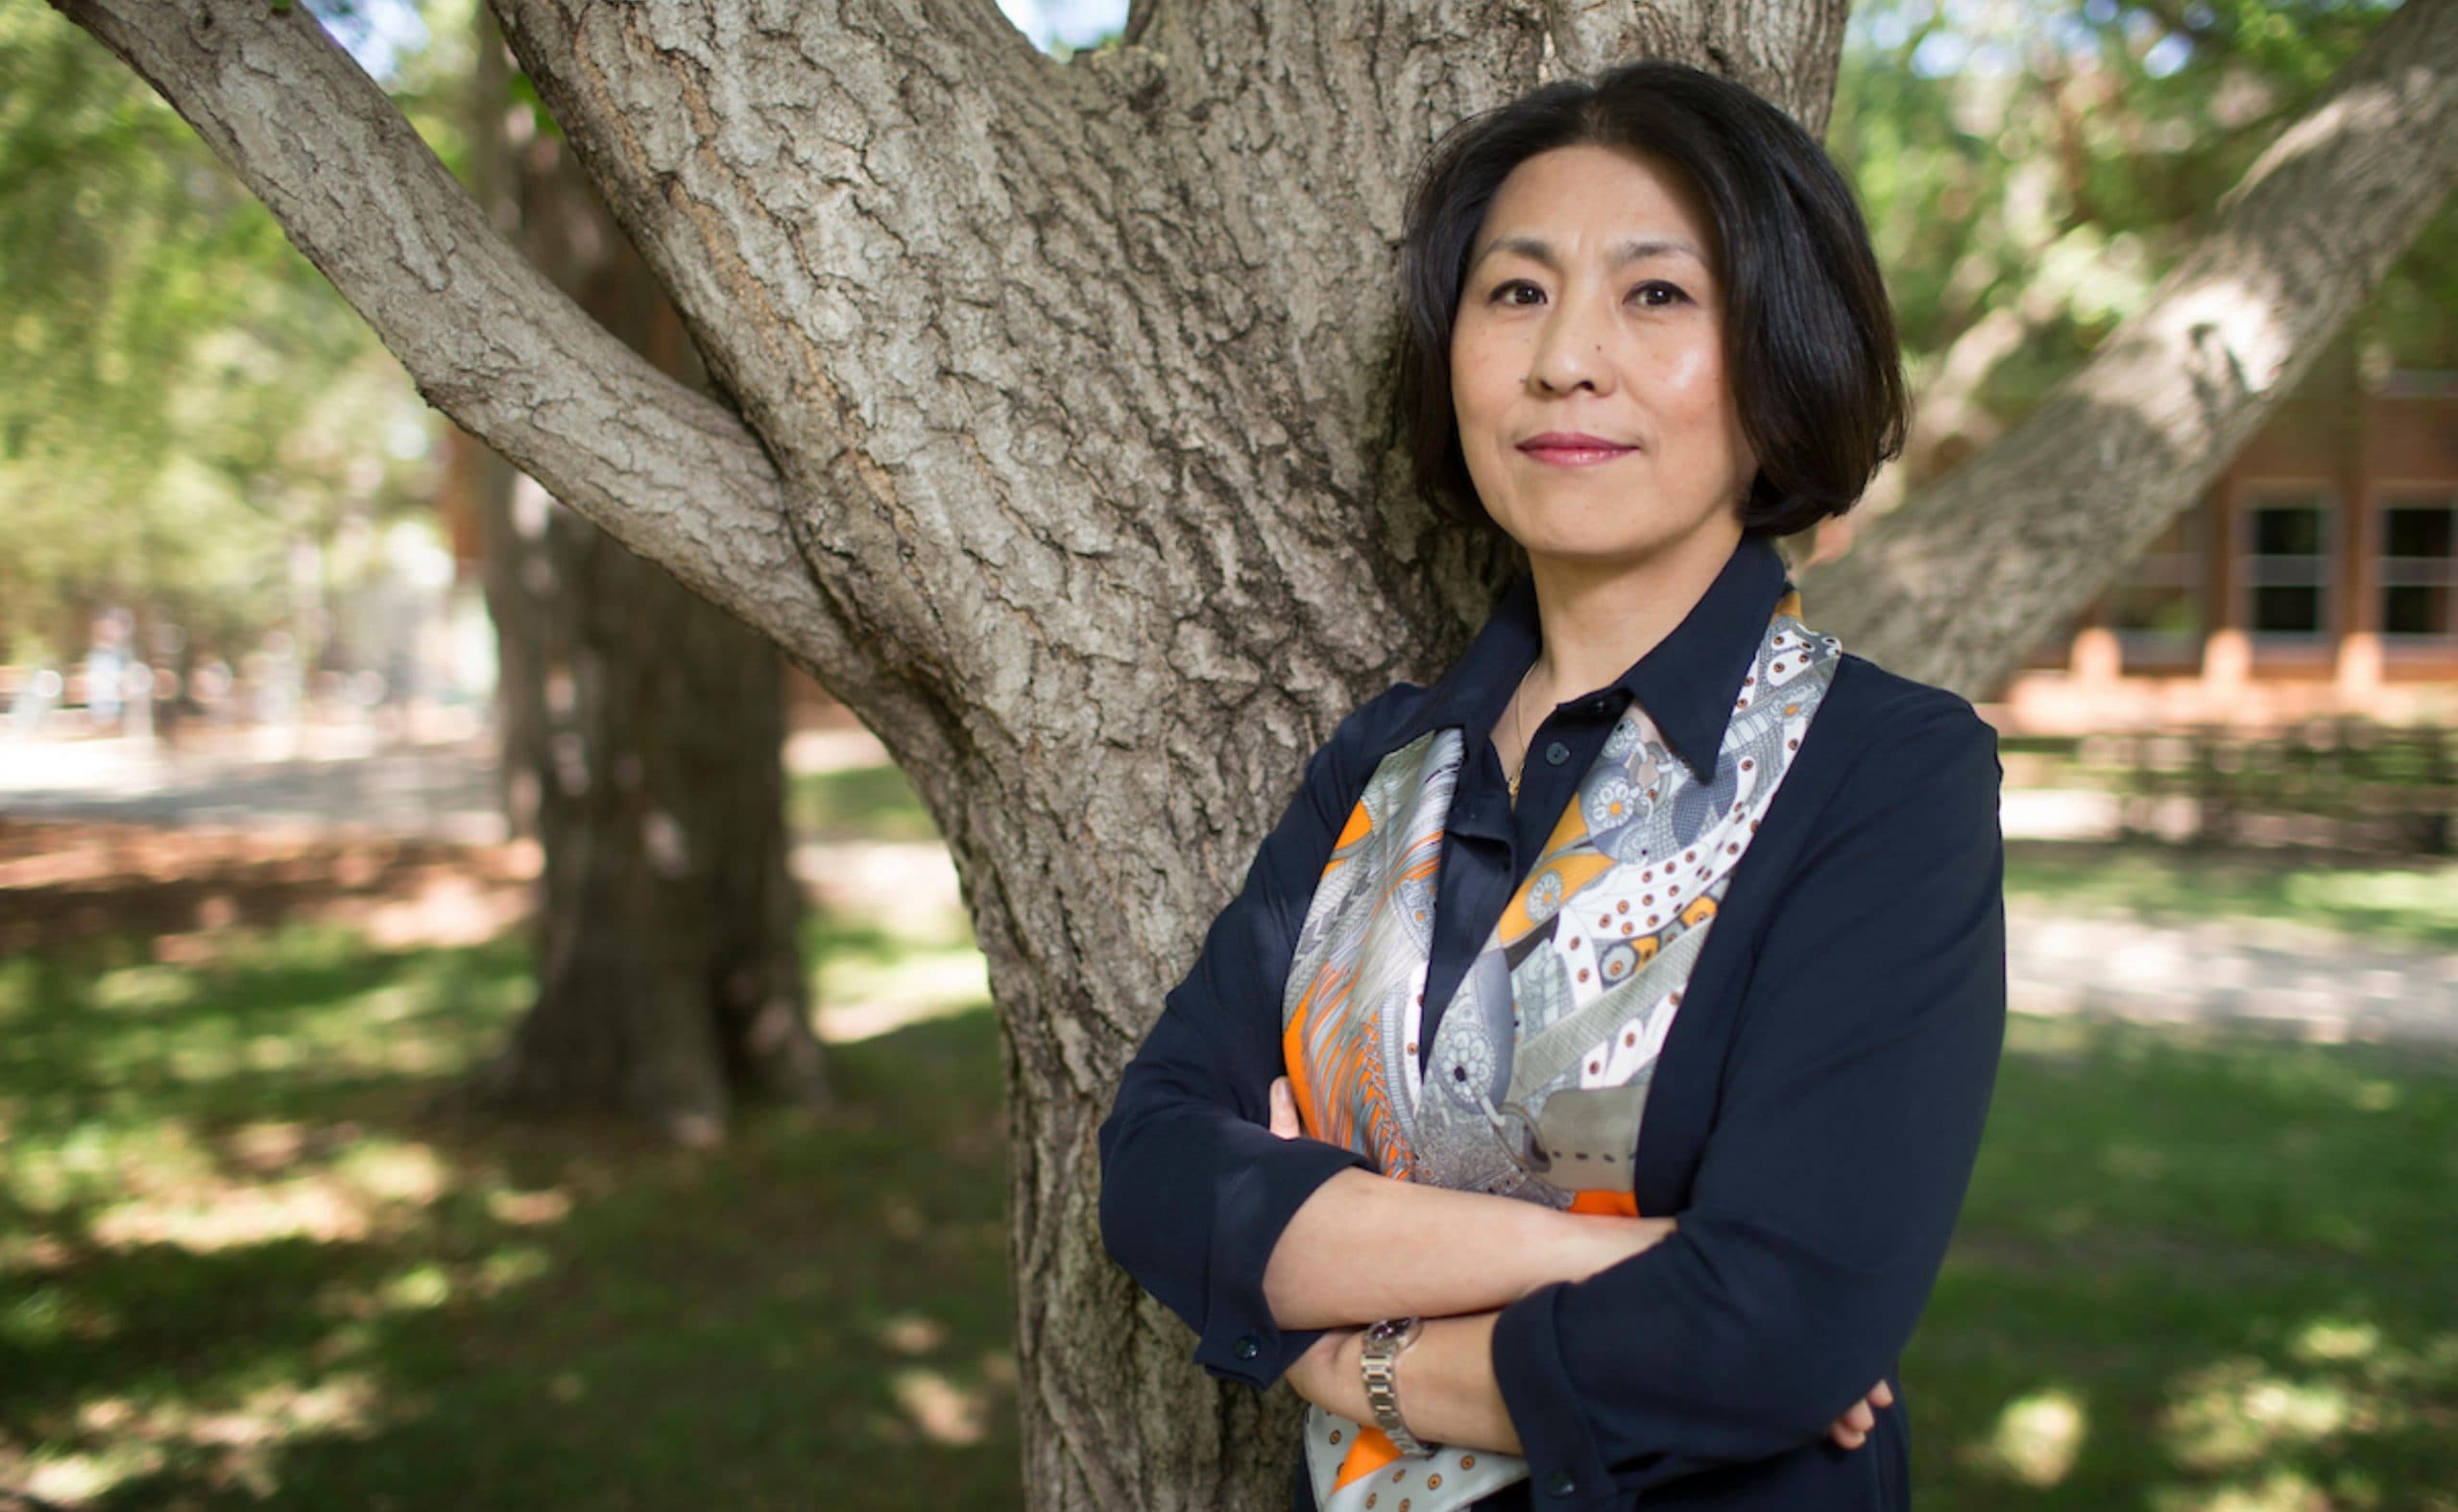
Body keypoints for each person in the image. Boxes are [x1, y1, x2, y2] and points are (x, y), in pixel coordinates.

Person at [1096, 59, 2005, 1512]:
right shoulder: (1381, 765)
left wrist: (1341, 1356)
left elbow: (1776, 1332)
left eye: (1658, 295)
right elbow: (1153, 1170)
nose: (1566, 357)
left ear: (1785, 363)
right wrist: (1609, 1256)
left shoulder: (1884, 772)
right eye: (1516, 292)